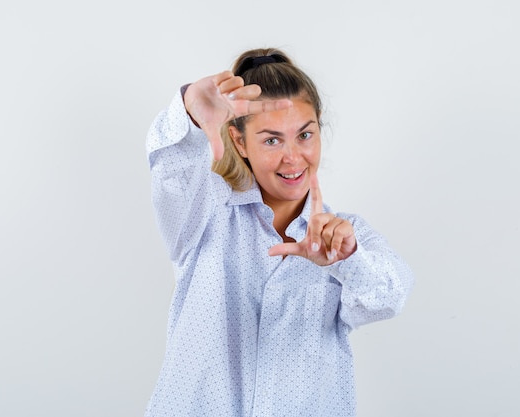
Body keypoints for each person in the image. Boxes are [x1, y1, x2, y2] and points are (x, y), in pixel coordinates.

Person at [144, 47, 414, 417]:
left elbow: (388, 298)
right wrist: (189, 116)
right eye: (272, 140)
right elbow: (171, 173)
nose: (293, 157)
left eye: (305, 135)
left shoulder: (346, 237)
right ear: (240, 142)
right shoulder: (205, 211)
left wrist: (346, 261)